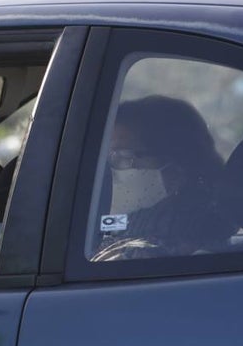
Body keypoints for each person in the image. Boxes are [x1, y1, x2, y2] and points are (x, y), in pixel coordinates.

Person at [93, 94, 235, 260]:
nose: (108, 170)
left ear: (176, 171)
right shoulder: (127, 225)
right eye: (107, 157)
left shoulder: (181, 247)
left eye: (121, 157)